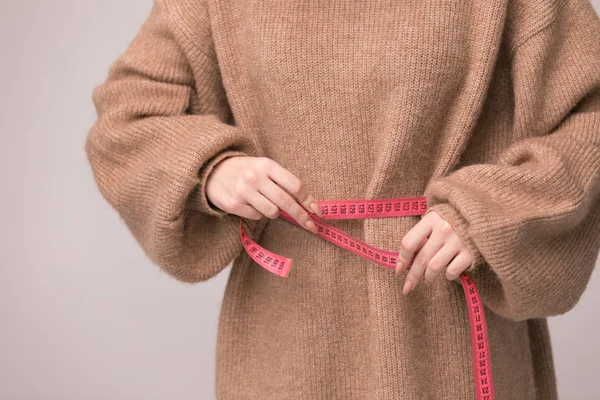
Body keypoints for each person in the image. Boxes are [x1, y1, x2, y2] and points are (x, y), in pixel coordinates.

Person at [85, 0, 600, 398]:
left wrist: (491, 212)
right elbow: (129, 116)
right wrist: (208, 168)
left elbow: (589, 117)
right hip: (286, 333)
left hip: (446, 327)